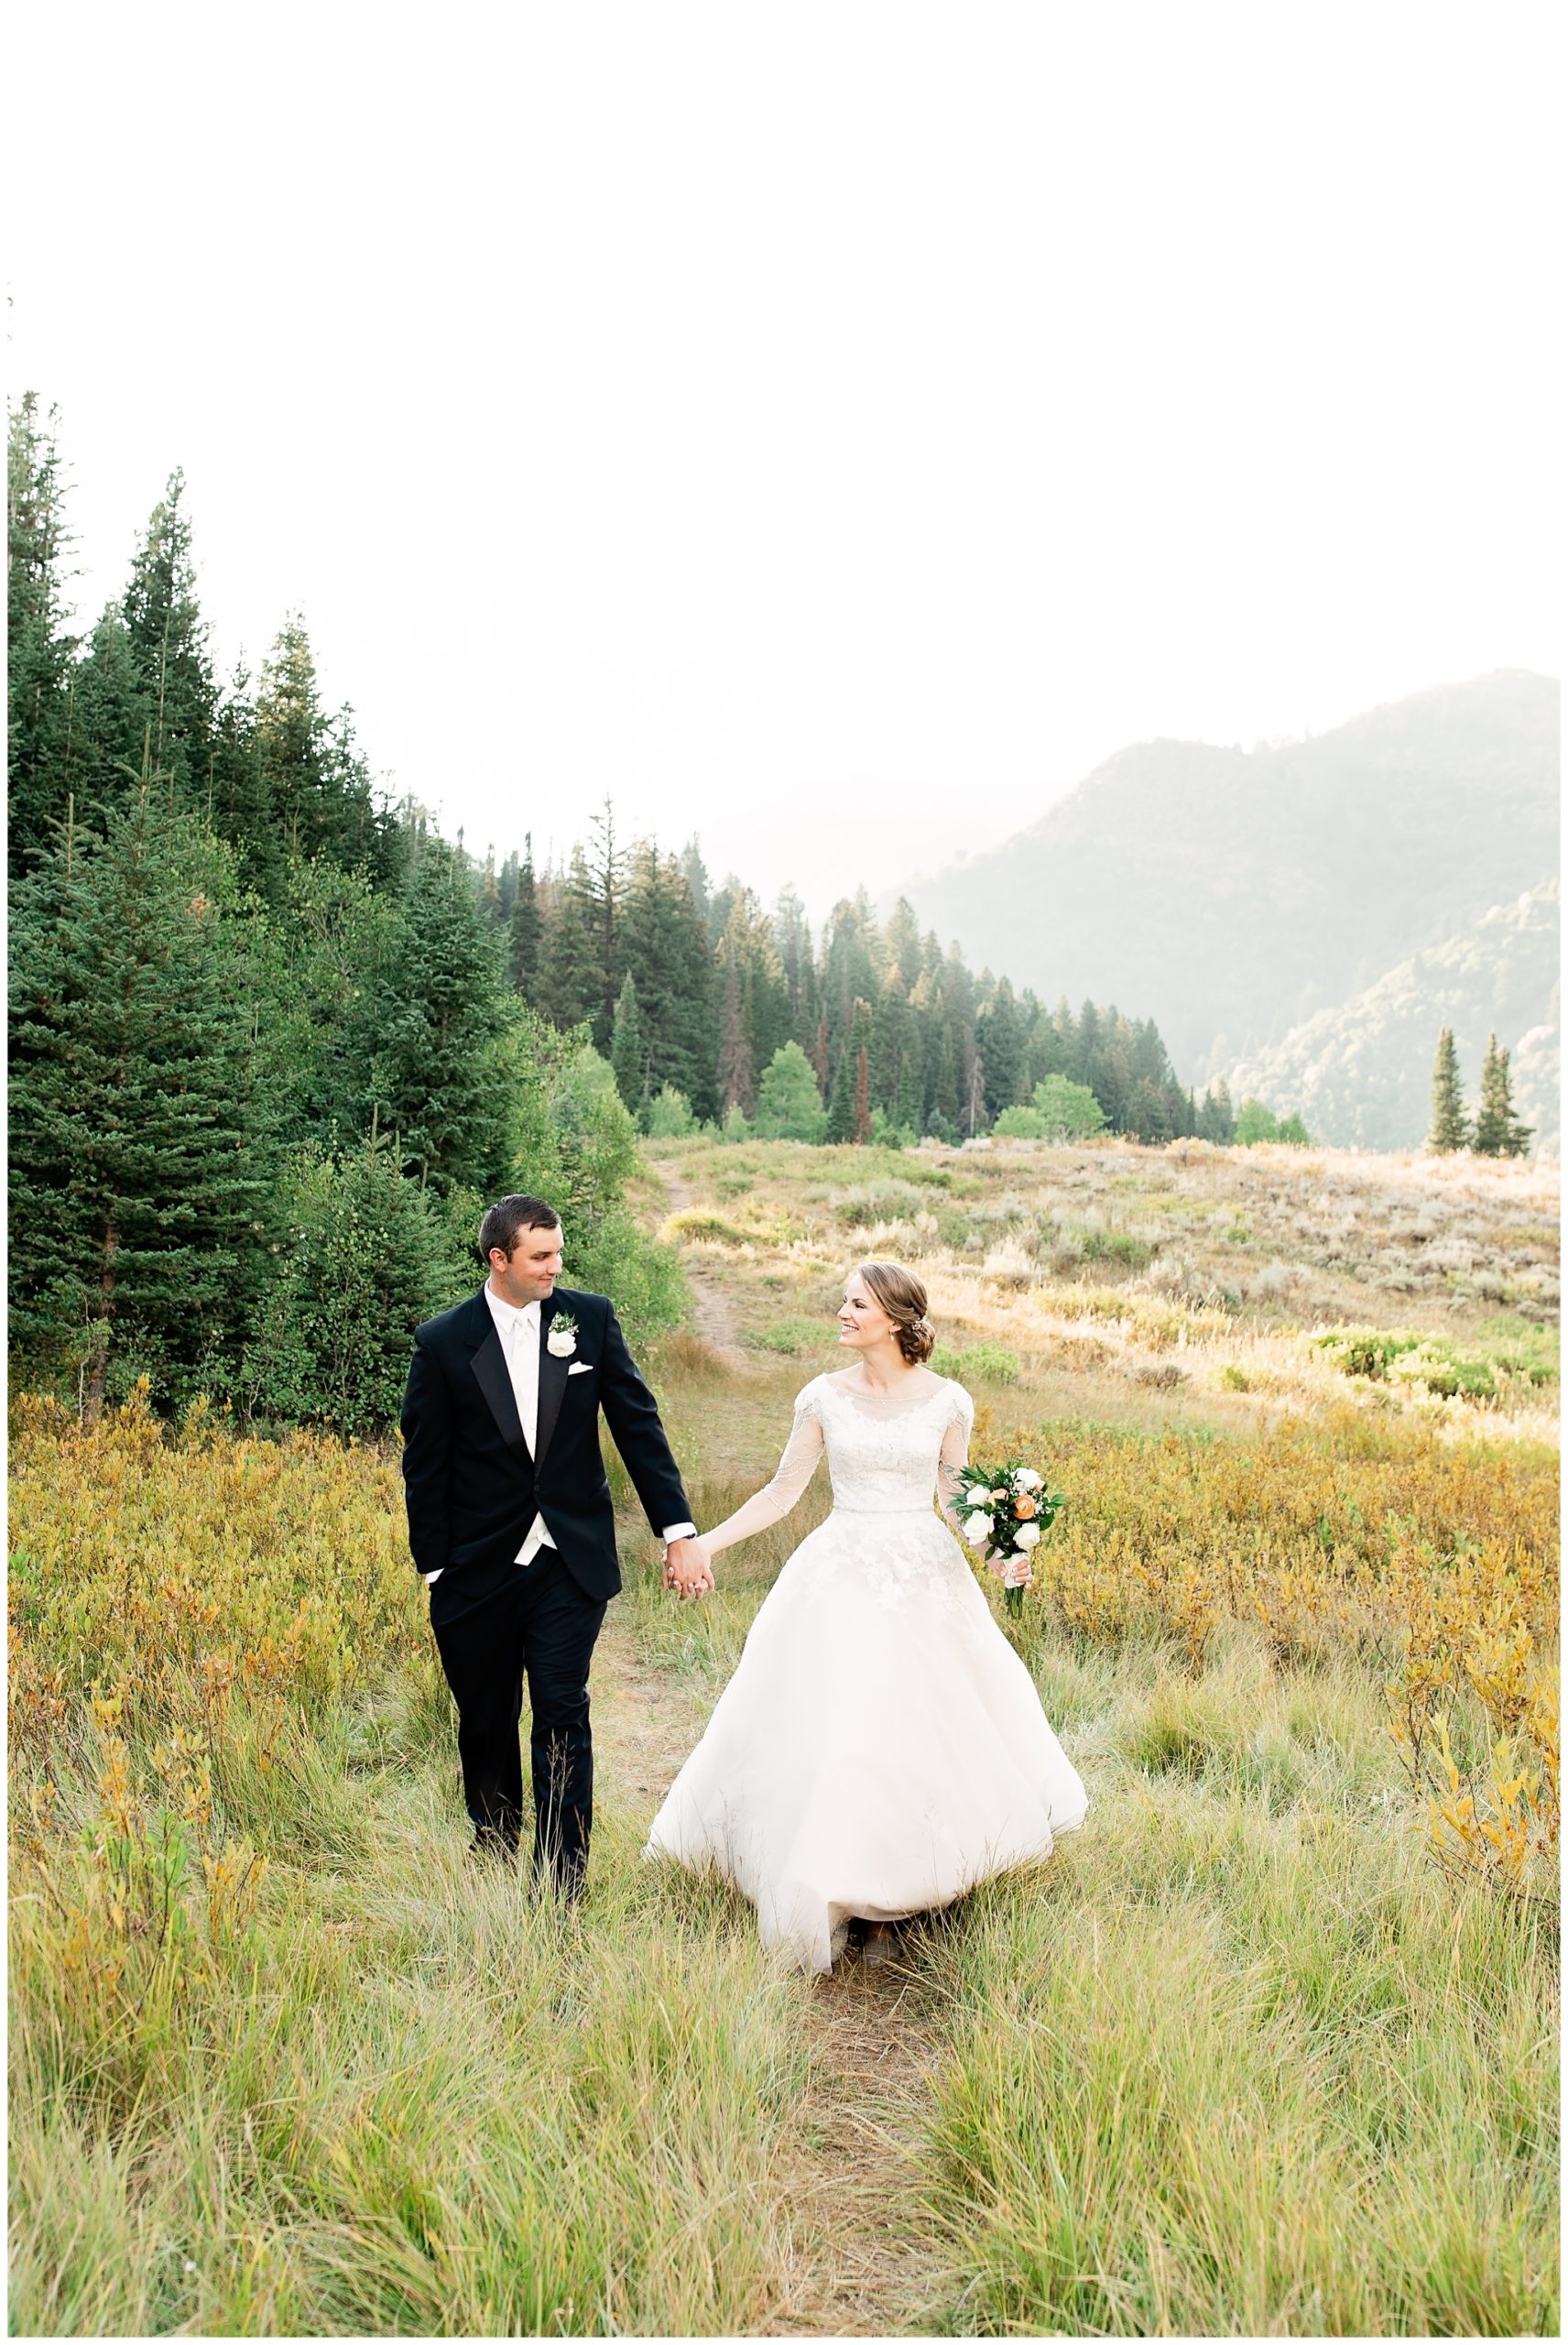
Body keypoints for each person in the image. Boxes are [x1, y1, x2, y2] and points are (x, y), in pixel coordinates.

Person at [645, 1260, 1087, 1970]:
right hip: (839, 1569)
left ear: (895, 1318)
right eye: (844, 1302)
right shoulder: (821, 1397)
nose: (842, 1313)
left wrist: (1003, 1558)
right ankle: (835, 1885)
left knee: (920, 1727)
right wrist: (704, 1543)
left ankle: (912, 1895)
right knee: (837, 1727)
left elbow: (953, 1500)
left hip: (923, 1572)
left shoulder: (949, 1402)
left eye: (857, 1304)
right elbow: (782, 1494)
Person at [400, 1194, 713, 1891]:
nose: (555, 1266)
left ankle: (562, 1875)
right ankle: (494, 1846)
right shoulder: (443, 1342)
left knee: (562, 1708)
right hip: (474, 1568)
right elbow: (424, 1466)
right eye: (540, 1256)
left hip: (570, 1560)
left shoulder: (588, 1320)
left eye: (559, 1253)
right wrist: (436, 1570)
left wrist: (678, 1529)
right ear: (499, 1259)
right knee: (485, 1716)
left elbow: (638, 1426)